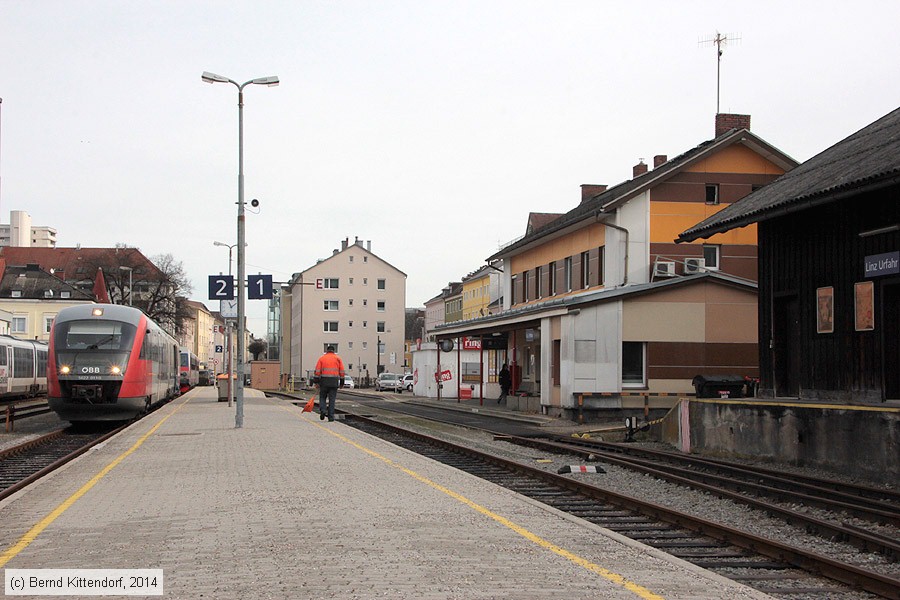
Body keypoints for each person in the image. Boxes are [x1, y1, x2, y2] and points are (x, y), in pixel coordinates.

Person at [314, 345, 345, 421]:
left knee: (322, 397)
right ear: (333, 351)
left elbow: (317, 371)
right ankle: (331, 417)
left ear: (327, 351)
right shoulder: (338, 359)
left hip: (324, 381)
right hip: (334, 382)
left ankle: (323, 410)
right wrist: (341, 383)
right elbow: (342, 372)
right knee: (332, 400)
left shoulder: (322, 358)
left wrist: (316, 382)